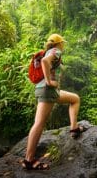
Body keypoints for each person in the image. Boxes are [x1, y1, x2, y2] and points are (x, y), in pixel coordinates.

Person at [22, 34, 86, 170]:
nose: (63, 45)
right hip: (47, 90)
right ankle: (29, 160)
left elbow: (45, 62)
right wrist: (49, 81)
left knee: (75, 99)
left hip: (44, 90)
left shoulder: (47, 51)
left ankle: (74, 128)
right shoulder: (55, 51)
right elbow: (45, 61)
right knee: (39, 124)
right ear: (59, 43)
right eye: (62, 43)